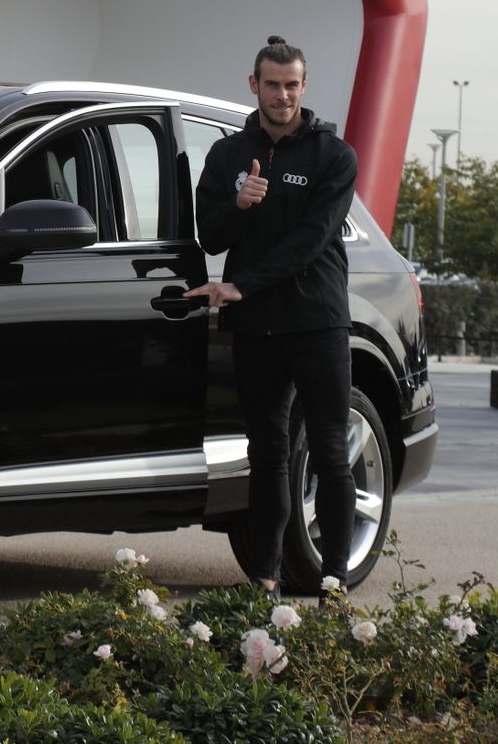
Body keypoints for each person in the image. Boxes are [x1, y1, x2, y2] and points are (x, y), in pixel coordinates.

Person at [185, 35, 358, 596]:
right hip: (257, 328)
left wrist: (241, 284)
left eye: (291, 85)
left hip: (317, 325)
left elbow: (311, 241)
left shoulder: (334, 157)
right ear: (253, 85)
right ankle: (264, 578)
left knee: (330, 452)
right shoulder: (227, 155)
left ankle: (334, 580)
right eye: (272, 84)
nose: (281, 95)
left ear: (304, 87)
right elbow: (207, 233)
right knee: (267, 455)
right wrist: (238, 205)